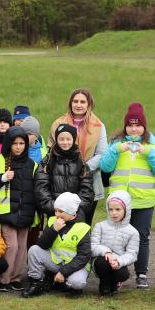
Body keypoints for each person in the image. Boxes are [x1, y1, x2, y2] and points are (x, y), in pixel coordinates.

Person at [99, 102, 155, 289]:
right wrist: (115, 150)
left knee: (142, 237)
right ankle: (119, 273)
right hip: (119, 201)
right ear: (125, 126)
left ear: (144, 126)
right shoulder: (117, 142)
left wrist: (147, 152)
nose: (134, 129)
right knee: (116, 237)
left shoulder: (152, 143)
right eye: (130, 125)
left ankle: (141, 273)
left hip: (143, 200)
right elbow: (105, 167)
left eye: (138, 125)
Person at [0, 126, 36, 292]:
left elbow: (35, 189)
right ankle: (4, 279)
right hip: (5, 213)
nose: (18, 147)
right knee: (11, 246)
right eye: (15, 143)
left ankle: (16, 278)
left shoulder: (32, 165)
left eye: (21, 143)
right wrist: (3, 178)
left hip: (25, 213)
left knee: (21, 247)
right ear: (8, 144)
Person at [49, 89, 108, 222]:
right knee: (60, 224)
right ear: (70, 103)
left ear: (89, 104)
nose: (78, 105)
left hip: (88, 180)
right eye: (75, 101)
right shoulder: (58, 124)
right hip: (61, 180)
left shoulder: (99, 126)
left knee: (84, 224)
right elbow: (51, 150)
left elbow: (101, 154)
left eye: (82, 101)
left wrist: (82, 168)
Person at [23, 192, 91, 298]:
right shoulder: (52, 221)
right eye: (55, 210)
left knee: (77, 283)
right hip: (56, 261)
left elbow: (84, 256)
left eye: (61, 211)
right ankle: (36, 282)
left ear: (72, 212)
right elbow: (42, 245)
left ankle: (68, 286)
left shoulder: (83, 228)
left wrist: (63, 272)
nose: (56, 214)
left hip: (75, 266)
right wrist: (54, 230)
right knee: (34, 250)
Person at [35, 124, 94, 222]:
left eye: (68, 139)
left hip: (75, 214)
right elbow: (41, 188)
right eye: (61, 139)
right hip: (54, 214)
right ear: (56, 140)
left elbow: (87, 190)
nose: (65, 142)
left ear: (74, 139)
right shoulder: (47, 162)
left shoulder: (81, 162)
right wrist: (56, 208)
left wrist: (73, 209)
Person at [90, 190, 139, 296]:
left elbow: (132, 254)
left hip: (117, 263)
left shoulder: (133, 232)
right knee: (102, 263)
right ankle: (104, 285)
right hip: (101, 261)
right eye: (110, 209)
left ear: (126, 210)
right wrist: (106, 252)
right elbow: (92, 246)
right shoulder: (100, 226)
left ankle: (114, 284)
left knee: (123, 274)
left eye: (118, 209)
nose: (114, 213)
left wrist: (119, 261)